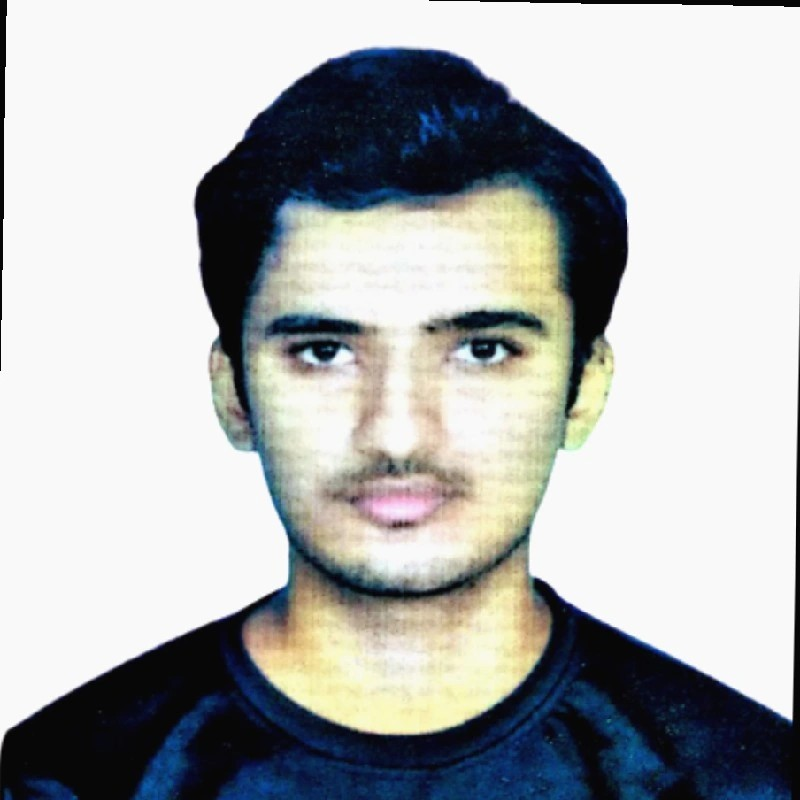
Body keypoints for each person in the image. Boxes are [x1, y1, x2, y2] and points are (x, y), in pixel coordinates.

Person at [0, 47, 790, 798]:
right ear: (233, 392)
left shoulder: (751, 782)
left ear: (583, 387)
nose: (398, 434)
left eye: (482, 350)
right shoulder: (63, 781)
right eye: (324, 352)